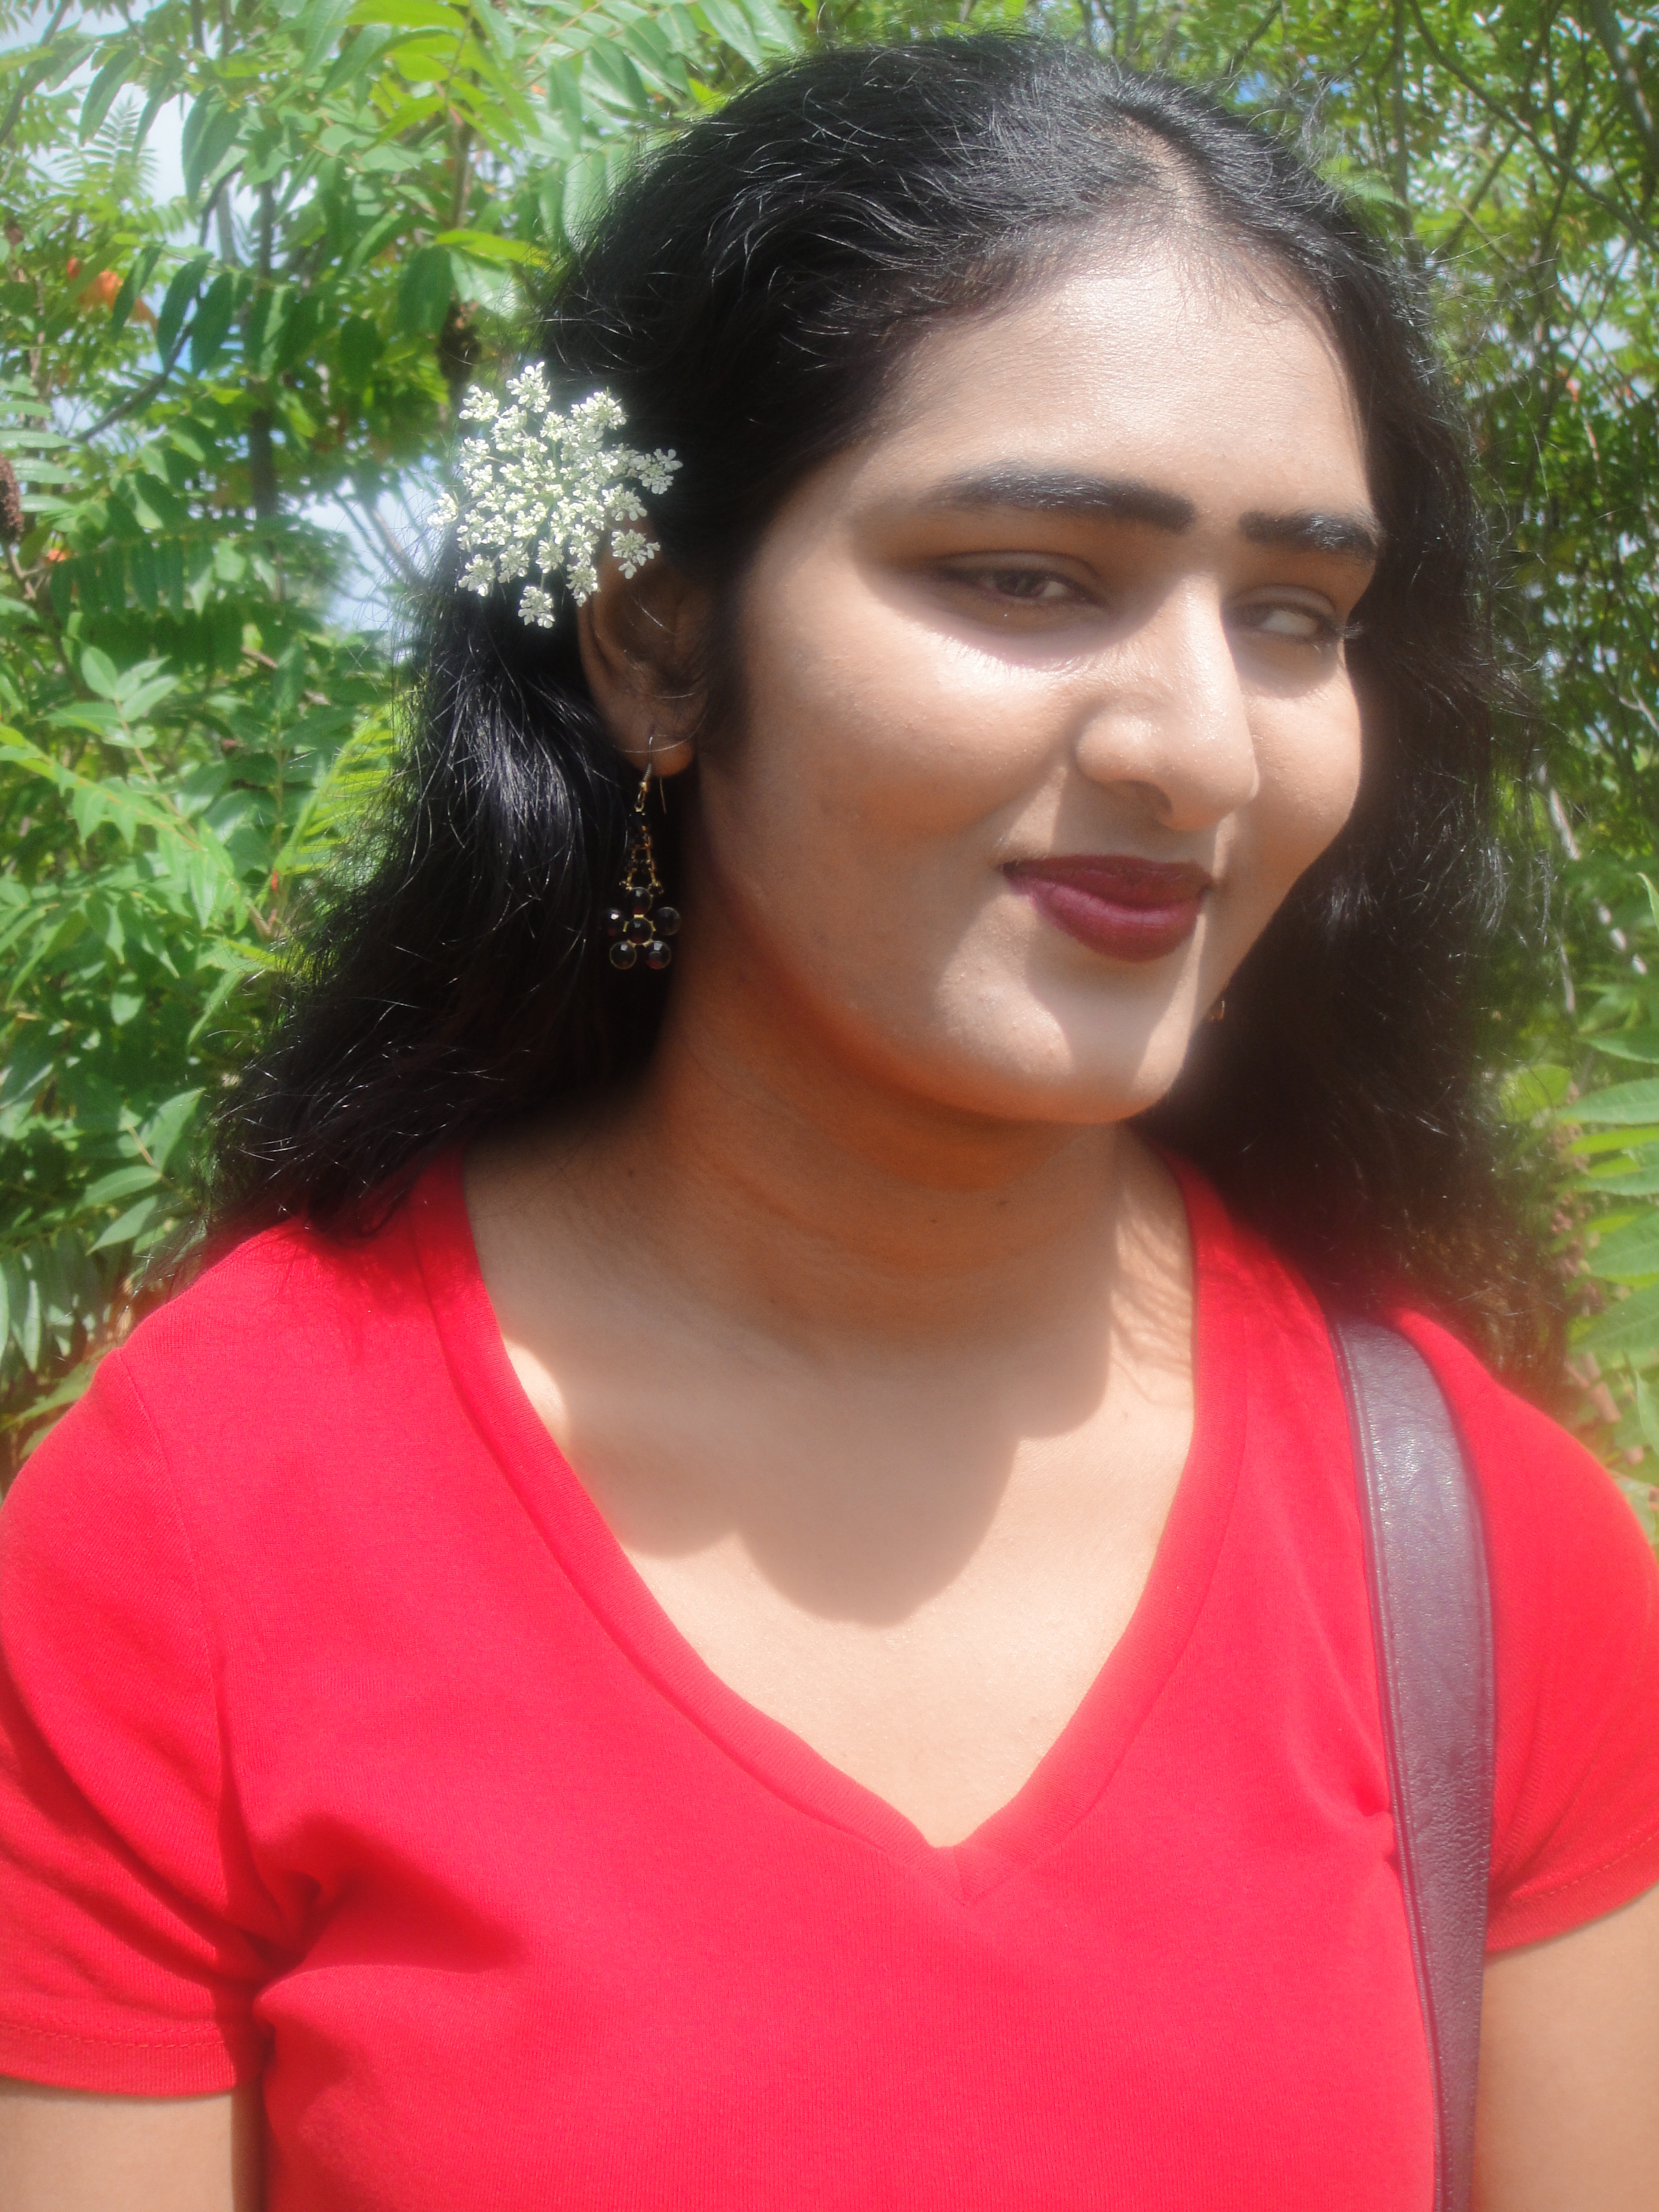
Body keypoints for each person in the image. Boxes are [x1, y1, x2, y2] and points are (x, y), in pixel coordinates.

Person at [1, 35, 1656, 2211]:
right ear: (656, 645)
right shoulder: (196, 1534)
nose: (1199, 750)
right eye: (1027, 576)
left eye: (1293, 618)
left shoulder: (1479, 1548)